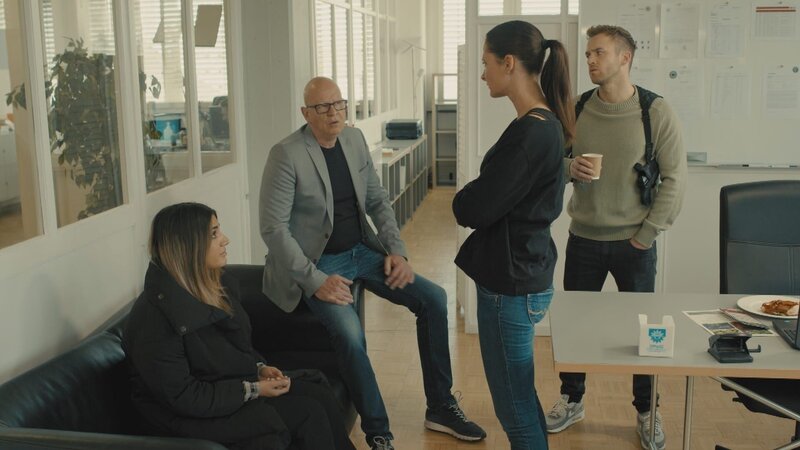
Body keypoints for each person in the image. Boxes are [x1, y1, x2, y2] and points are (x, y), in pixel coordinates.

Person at [259, 77, 486, 450]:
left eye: (338, 104)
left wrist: (397, 250)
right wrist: (315, 281)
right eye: (322, 107)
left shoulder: (353, 139)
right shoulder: (286, 154)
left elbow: (378, 200)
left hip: (362, 252)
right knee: (351, 336)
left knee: (433, 299)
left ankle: (441, 407)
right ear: (305, 113)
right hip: (320, 264)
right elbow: (274, 229)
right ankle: (378, 432)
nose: (333, 113)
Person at [544, 25, 687, 450]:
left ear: (625, 58)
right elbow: (550, 161)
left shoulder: (654, 111)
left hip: (635, 245)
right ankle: (572, 400)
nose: (590, 60)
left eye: (599, 52)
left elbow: (675, 179)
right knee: (575, 327)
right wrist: (568, 168)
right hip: (583, 239)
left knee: (645, 335)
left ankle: (647, 410)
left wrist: (647, 235)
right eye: (588, 53)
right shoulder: (576, 108)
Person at [123, 202, 355, 450]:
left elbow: (229, 351)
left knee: (318, 391)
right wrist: (254, 389)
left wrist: (259, 369)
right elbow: (185, 398)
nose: (226, 240)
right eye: (214, 234)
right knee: (307, 413)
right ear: (188, 245)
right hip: (185, 419)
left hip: (221, 394)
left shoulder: (210, 286)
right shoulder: (153, 319)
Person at [452, 20, 574, 450]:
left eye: (486, 63)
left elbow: (473, 208)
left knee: (514, 410)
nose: (482, 74)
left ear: (508, 63)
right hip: (523, 272)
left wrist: (465, 194)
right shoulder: (542, 122)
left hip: (512, 285)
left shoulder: (532, 132)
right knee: (520, 397)